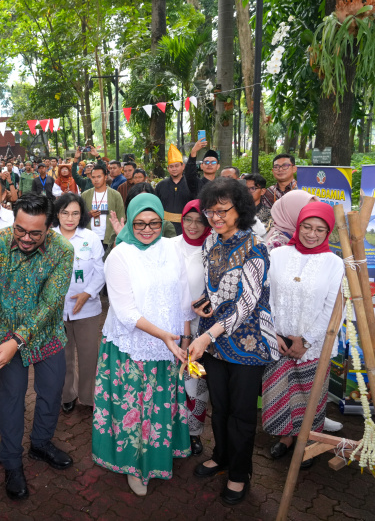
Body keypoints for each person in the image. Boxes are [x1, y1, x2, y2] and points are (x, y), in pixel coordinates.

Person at [0, 193, 74, 500]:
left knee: (51, 392)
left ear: (50, 226)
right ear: (15, 219)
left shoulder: (62, 250)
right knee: (11, 399)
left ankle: (41, 443)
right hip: (4, 335)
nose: (25, 238)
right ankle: (11, 462)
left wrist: (17, 340)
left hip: (47, 336)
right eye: (20, 229)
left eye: (35, 233)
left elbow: (50, 304)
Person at [92, 193, 192, 497]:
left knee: (160, 404)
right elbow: (125, 312)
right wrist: (164, 336)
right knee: (133, 407)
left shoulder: (173, 249)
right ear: (131, 222)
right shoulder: (119, 255)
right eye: (139, 224)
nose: (147, 229)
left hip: (171, 345)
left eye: (154, 223)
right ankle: (135, 468)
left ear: (162, 222)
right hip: (131, 347)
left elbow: (183, 296)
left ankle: (159, 457)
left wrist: (185, 337)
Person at [187, 177, 278, 506]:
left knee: (241, 413)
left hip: (248, 343)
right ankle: (222, 456)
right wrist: (205, 302)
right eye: (210, 212)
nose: (215, 218)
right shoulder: (209, 243)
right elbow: (217, 288)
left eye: (222, 211)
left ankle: (240, 473)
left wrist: (209, 332)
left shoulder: (256, 247)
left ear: (240, 209)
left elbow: (247, 303)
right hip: (214, 342)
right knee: (220, 405)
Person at [263, 202, 343, 467]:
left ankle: (307, 441)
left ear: (328, 232)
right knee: (282, 393)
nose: (312, 234)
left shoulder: (334, 263)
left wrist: (306, 340)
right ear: (298, 226)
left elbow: (333, 309)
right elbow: (267, 297)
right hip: (279, 340)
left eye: (320, 229)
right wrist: (275, 333)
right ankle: (287, 438)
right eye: (307, 227)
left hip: (314, 344)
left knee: (311, 396)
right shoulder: (278, 255)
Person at [51, 193, 104, 414]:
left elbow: (101, 271)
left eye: (75, 213)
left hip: (88, 309)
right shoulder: (49, 237)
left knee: (89, 355)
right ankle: (67, 395)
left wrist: (87, 293)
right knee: (62, 357)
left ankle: (88, 396)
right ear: (57, 214)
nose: (69, 218)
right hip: (56, 310)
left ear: (81, 215)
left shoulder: (90, 238)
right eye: (65, 213)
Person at [168, 200, 212, 456]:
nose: (193, 226)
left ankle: (194, 433)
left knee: (195, 382)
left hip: (198, 330)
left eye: (199, 221)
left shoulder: (211, 249)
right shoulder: (169, 246)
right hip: (168, 328)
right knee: (168, 381)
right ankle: (170, 429)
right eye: (188, 219)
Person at [81, 164, 125, 252]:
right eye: (93, 177)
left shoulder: (115, 195)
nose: (96, 180)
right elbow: (79, 216)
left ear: (105, 177)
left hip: (109, 238)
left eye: (99, 177)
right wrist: (88, 214)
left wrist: (117, 237)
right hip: (90, 237)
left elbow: (121, 217)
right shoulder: (85, 195)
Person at [156, 144, 195, 231]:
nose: (174, 169)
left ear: (183, 166)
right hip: (164, 227)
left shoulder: (191, 184)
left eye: (177, 166)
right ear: (168, 168)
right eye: (171, 166)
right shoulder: (160, 185)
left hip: (187, 226)